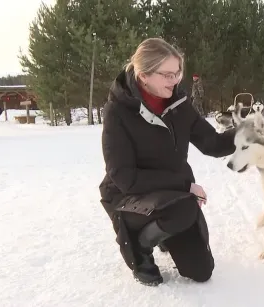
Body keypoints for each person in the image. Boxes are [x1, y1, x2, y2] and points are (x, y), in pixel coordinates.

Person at [99, 37, 236, 286]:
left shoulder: (179, 105)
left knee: (201, 271)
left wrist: (256, 133)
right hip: (128, 196)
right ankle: (139, 245)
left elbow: (213, 144)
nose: (175, 80)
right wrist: (185, 186)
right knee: (184, 207)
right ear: (144, 75)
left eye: (178, 73)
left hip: (170, 195)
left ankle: (163, 231)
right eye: (167, 75)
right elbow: (124, 177)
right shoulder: (118, 112)